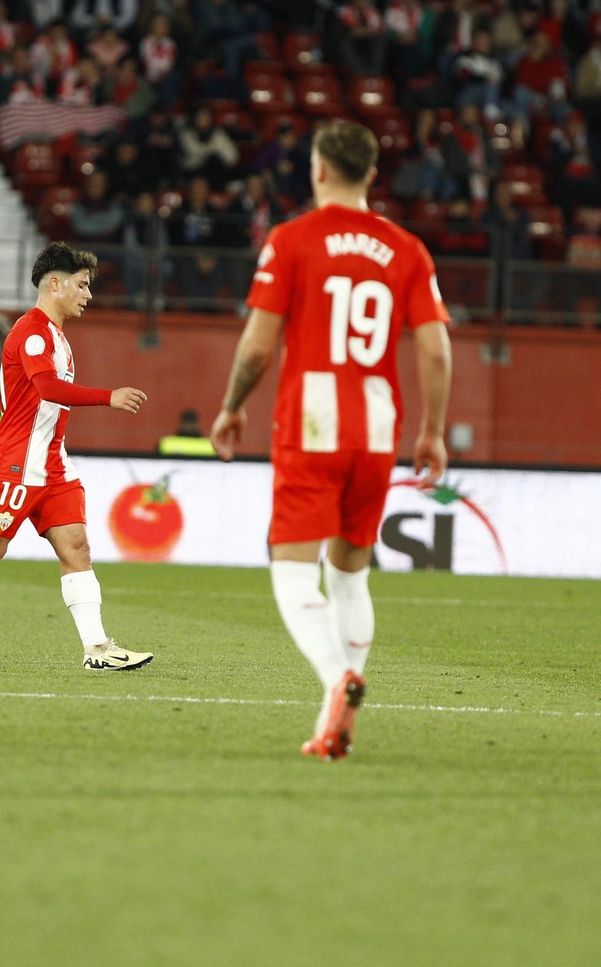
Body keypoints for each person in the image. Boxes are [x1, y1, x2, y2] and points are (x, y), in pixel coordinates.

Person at [210, 120, 452, 761]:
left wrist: (232, 407)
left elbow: (257, 346)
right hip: (376, 426)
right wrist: (432, 430)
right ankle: (332, 719)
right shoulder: (407, 249)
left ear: (318, 170)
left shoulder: (291, 240)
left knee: (293, 572)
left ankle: (335, 677)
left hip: (312, 422)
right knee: (350, 577)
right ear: (370, 174)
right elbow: (435, 350)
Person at [0, 243, 155, 672]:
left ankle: (97, 649)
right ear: (55, 284)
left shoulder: (57, 336)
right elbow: (48, 389)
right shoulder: (32, 332)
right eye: (81, 285)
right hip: (18, 462)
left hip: (53, 463)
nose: (88, 294)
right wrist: (108, 396)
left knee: (77, 546)